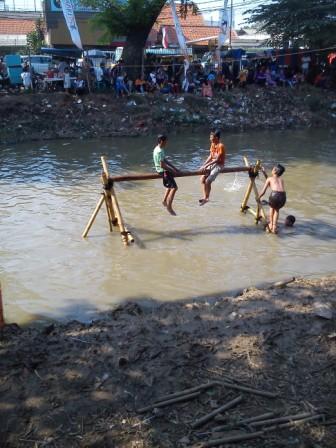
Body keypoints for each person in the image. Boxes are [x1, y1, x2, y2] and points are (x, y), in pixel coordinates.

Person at [153, 134, 179, 216]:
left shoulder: (158, 148)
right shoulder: (160, 151)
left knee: (169, 186)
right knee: (174, 188)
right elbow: (162, 165)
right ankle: (169, 206)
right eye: (165, 141)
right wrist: (172, 170)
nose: (166, 143)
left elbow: (164, 160)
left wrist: (174, 168)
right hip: (163, 171)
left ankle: (164, 201)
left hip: (161, 170)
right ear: (161, 141)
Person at [199, 130, 226, 206]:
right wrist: (204, 164)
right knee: (202, 179)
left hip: (219, 165)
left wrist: (206, 166)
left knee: (208, 181)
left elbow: (217, 160)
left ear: (216, 137)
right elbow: (210, 156)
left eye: (211, 137)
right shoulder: (212, 144)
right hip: (213, 162)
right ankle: (205, 196)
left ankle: (207, 198)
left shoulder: (221, 146)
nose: (210, 139)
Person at [258, 164, 286, 234]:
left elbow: (263, 191)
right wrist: (264, 172)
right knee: (276, 210)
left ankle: (270, 224)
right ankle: (274, 227)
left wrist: (258, 197)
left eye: (272, 169)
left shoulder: (269, 179)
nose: (272, 170)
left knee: (271, 208)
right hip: (283, 196)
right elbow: (272, 184)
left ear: (274, 171)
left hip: (275, 195)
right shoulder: (281, 180)